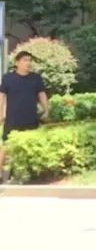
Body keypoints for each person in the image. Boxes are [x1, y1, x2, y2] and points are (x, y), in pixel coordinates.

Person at [0, 51, 49, 181]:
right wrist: (0, 113)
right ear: (17, 62)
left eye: (29, 60)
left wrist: (46, 110)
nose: (28, 63)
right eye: (25, 60)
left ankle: (29, 172)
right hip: (13, 118)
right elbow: (2, 96)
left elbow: (42, 94)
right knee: (6, 145)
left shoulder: (36, 78)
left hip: (30, 117)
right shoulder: (8, 78)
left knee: (31, 144)